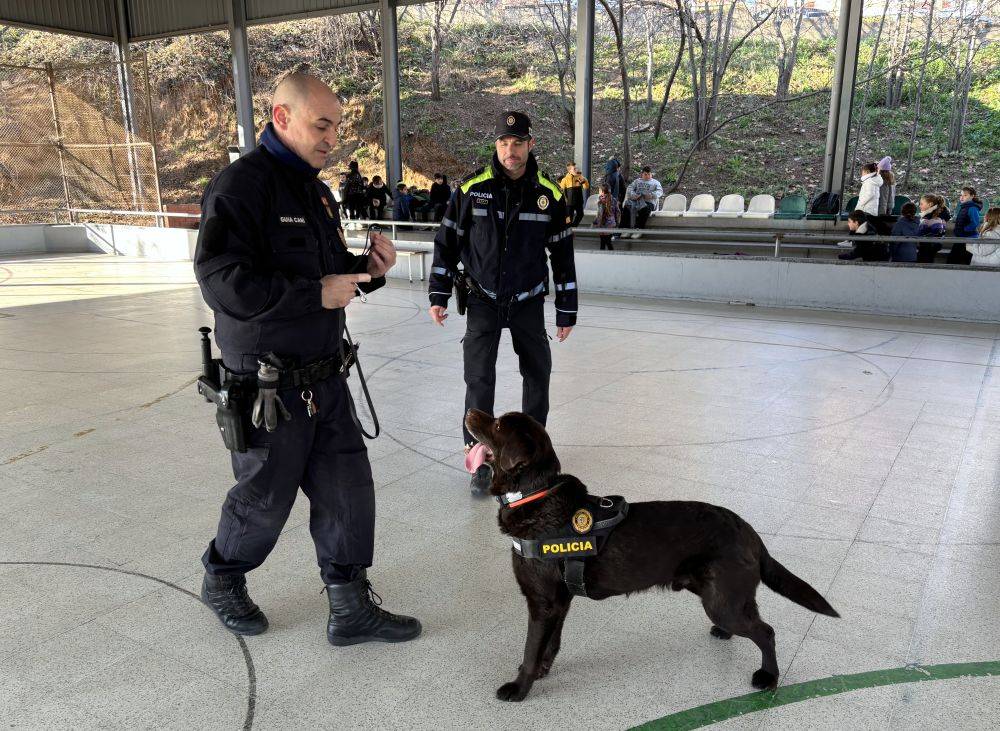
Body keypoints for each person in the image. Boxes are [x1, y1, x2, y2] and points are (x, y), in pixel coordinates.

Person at [193, 70, 420, 645]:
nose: (332, 138)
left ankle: (350, 608)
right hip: (267, 388)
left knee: (349, 490)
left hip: (326, 378)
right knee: (264, 501)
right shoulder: (240, 187)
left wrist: (366, 271)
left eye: (337, 127)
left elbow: (322, 270)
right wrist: (313, 293)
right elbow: (222, 281)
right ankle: (223, 577)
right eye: (322, 125)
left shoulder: (316, 190)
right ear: (281, 117)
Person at [427, 111, 577, 496]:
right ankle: (480, 461)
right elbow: (447, 243)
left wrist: (566, 308)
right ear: (496, 145)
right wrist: (438, 294)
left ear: (530, 144)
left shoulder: (550, 195)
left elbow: (562, 256)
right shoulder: (472, 190)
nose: (510, 150)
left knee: (537, 375)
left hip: (527, 301)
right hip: (482, 301)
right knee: (479, 379)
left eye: (518, 143)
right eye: (503, 143)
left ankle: (533, 457)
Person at [622, 166, 663, 238]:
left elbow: (660, 192)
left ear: (651, 174)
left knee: (644, 209)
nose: (647, 176)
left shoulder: (656, 183)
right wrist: (634, 195)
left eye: (649, 174)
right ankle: (626, 229)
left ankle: (639, 230)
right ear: (642, 174)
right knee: (627, 206)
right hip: (636, 200)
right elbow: (629, 188)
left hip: (648, 201)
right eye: (645, 174)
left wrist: (651, 195)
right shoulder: (637, 181)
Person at [949, 186, 983, 265]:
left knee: (959, 260)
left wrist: (964, 230)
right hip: (961, 238)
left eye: (965, 195)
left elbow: (975, 223)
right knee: (953, 260)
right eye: (961, 195)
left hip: (968, 239)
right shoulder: (964, 207)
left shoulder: (972, 208)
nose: (962, 197)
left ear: (972, 196)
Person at [917, 194, 947, 263]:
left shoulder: (933, 219)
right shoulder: (929, 217)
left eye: (921, 204)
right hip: (925, 247)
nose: (919, 206)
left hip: (927, 248)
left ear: (930, 204)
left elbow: (937, 233)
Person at [559, 162, 590, 226]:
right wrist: (564, 200)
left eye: (576, 168)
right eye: (574, 169)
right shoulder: (565, 179)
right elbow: (561, 190)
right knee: (569, 217)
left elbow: (586, 187)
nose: (576, 170)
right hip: (569, 202)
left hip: (579, 200)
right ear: (569, 170)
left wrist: (584, 182)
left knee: (580, 214)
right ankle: (567, 227)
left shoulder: (580, 176)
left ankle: (574, 226)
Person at [593, 184, 620, 251]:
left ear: (602, 191)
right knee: (607, 241)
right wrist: (617, 222)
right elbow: (617, 212)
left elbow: (599, 214)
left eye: (599, 191)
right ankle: (606, 254)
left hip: (603, 223)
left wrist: (595, 222)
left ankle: (606, 254)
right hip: (610, 223)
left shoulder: (600, 201)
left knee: (605, 241)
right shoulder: (613, 199)